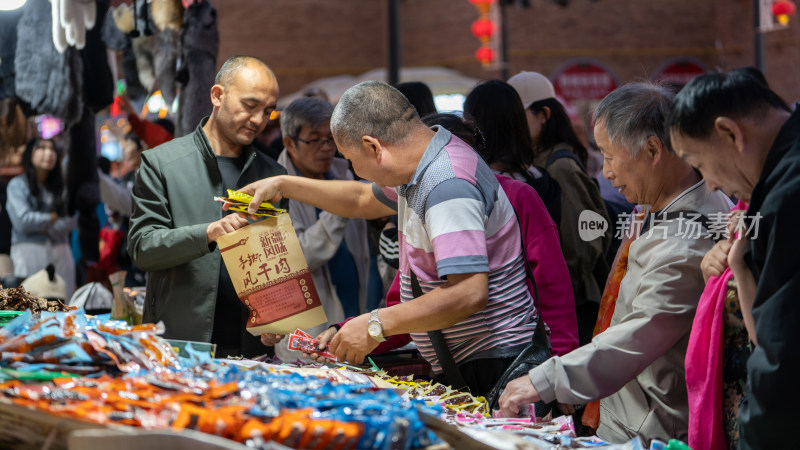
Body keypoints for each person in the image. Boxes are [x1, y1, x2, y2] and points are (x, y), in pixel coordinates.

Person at [239, 80, 539, 397]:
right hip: (475, 359)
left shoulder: (445, 183)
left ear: (373, 147)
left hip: (493, 363)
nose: (355, 171)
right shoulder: (425, 161)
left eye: (351, 161)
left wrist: (375, 325)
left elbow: (468, 292)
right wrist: (283, 185)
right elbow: (360, 200)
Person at [498, 82, 732, 443]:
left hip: (651, 427)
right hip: (629, 409)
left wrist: (546, 380)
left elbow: (637, 336)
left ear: (653, 149)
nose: (606, 172)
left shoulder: (686, 239)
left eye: (609, 155)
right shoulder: (656, 208)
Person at [666, 69, 799, 450]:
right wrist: (741, 266)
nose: (709, 183)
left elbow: (783, 358)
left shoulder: (786, 196)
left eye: (700, 162)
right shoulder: (775, 187)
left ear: (729, 133)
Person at [127, 55, 287, 358]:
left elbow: (277, 257)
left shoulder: (272, 176)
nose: (258, 120)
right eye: (250, 106)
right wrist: (208, 233)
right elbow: (142, 247)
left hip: (250, 351)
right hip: (179, 346)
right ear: (217, 95)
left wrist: (277, 315)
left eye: (267, 111)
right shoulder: (162, 164)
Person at [508, 71, 611, 346]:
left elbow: (583, 243)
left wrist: (557, 293)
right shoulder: (537, 163)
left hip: (576, 305)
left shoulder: (559, 167)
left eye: (519, 117)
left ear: (543, 114)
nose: (512, 126)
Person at [271, 96, 370, 361]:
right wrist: (343, 205)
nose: (326, 148)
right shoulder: (274, 187)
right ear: (289, 143)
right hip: (308, 327)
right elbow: (298, 257)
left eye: (331, 139)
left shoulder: (344, 173)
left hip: (353, 310)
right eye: (315, 140)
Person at [7, 138, 77, 297]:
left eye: (52, 149)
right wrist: (52, 217)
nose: (49, 153)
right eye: (42, 148)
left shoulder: (63, 188)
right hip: (28, 250)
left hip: (61, 250)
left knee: (64, 305)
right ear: (29, 155)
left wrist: (44, 227)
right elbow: (22, 222)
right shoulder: (17, 185)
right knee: (29, 303)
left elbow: (72, 220)